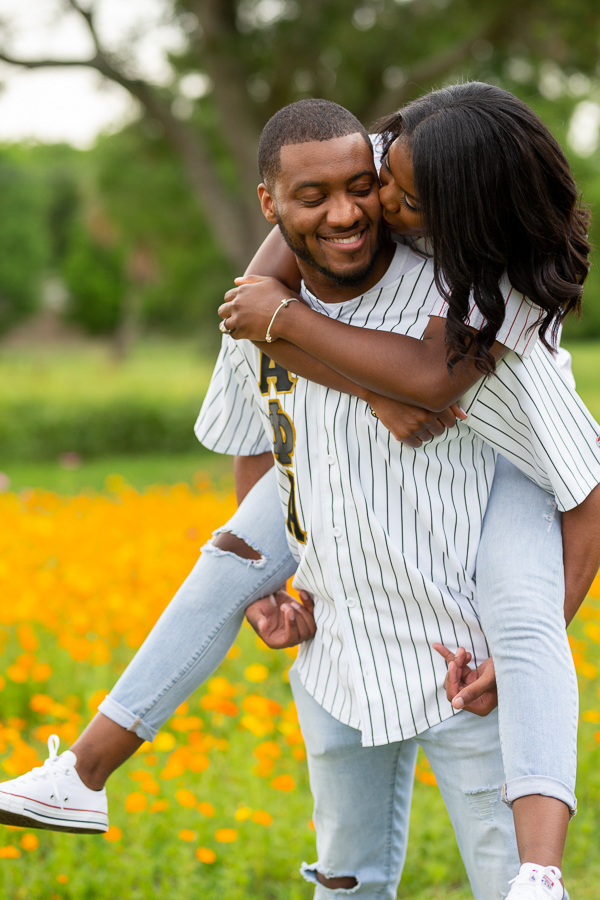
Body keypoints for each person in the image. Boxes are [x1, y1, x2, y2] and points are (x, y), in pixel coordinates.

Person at [0, 93, 598, 900]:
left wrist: (287, 323)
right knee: (232, 555)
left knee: (525, 634)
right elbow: (263, 421)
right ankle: (82, 770)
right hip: (343, 641)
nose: (373, 206)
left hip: (492, 544)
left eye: (399, 198)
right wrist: (279, 315)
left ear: (457, 215)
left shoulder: (489, 288)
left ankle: (539, 871)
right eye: (372, 181)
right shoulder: (378, 164)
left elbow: (462, 403)